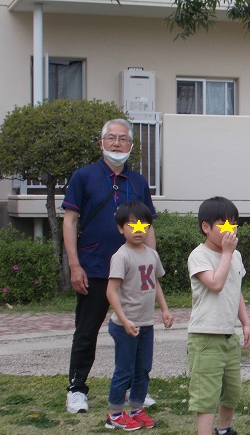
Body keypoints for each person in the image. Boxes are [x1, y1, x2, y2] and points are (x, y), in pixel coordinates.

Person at [62, 119, 157, 414]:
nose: (117, 143)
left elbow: (147, 225)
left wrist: (151, 264)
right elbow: (70, 220)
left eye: (123, 139)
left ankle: (132, 388)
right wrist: (74, 265)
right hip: (94, 267)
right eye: (111, 138)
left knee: (134, 330)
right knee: (87, 330)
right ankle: (77, 389)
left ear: (131, 145)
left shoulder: (138, 182)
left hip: (132, 273)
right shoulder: (84, 176)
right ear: (101, 142)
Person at [188, 197, 250, 435]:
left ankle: (224, 431)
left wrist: (245, 322)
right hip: (205, 336)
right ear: (206, 227)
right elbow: (215, 283)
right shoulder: (199, 255)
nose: (231, 229)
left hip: (228, 335)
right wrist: (226, 254)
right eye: (224, 224)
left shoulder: (235, 256)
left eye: (234, 224)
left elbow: (235, 290)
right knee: (206, 393)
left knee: (231, 390)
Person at [105, 202, 174, 431]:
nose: (138, 229)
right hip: (125, 325)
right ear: (120, 228)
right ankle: (115, 413)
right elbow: (111, 291)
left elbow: (155, 284)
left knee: (143, 369)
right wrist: (124, 320)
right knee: (124, 370)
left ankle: (136, 408)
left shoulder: (152, 255)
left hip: (146, 324)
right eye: (131, 225)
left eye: (143, 224)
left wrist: (164, 309)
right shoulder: (121, 256)